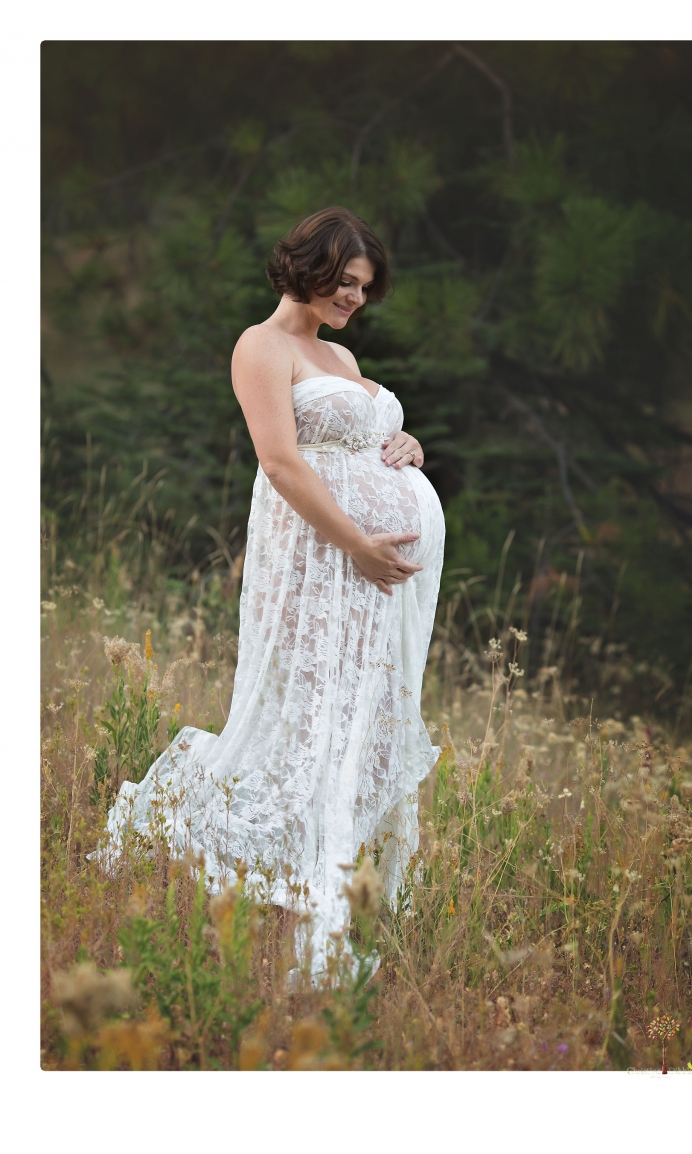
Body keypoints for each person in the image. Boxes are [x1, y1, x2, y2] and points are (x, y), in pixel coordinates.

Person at [103, 207, 445, 977]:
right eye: (345, 281)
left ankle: (341, 882)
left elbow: (361, 442)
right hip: (323, 566)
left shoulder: (342, 355)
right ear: (308, 266)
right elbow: (282, 463)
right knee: (313, 718)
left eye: (364, 287)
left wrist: (405, 443)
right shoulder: (261, 346)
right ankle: (298, 897)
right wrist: (358, 544)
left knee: (362, 719)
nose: (355, 298)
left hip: (371, 586)